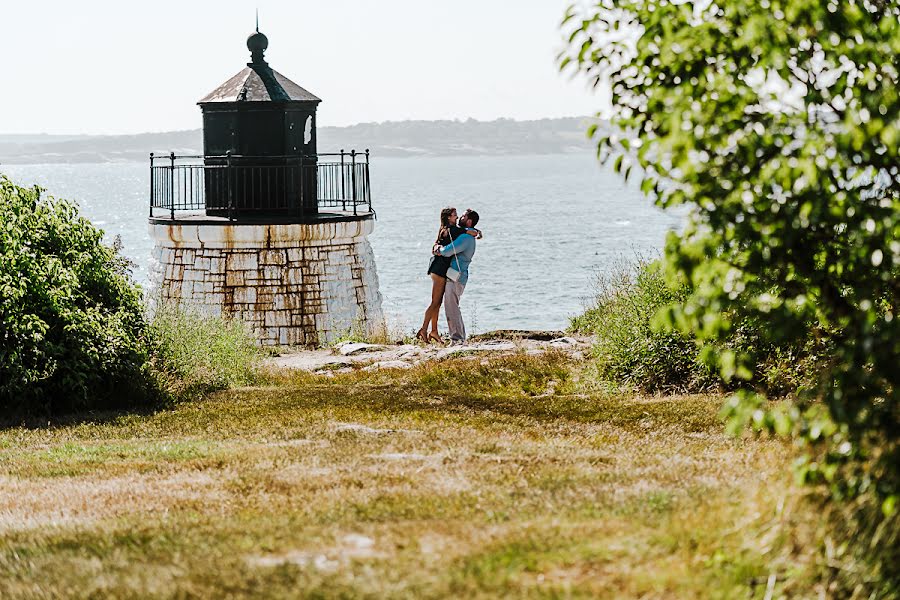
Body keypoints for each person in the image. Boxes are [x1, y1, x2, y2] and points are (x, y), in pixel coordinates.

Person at [417, 207, 481, 344]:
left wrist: (438, 249)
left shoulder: (464, 237)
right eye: (456, 216)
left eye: (462, 216)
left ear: (469, 221)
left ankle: (455, 338)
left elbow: (447, 251)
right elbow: (450, 237)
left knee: (448, 306)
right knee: (440, 303)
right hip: (446, 272)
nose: (458, 218)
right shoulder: (457, 232)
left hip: (454, 275)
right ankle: (433, 331)